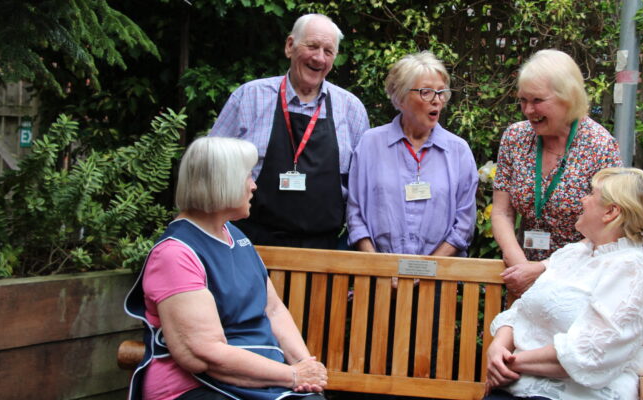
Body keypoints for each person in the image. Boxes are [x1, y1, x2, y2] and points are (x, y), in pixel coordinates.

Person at [124, 137, 327, 400]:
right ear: (223, 182)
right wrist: (292, 375)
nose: (254, 186)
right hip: (196, 389)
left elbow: (273, 309)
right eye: (247, 177)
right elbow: (204, 354)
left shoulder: (235, 236)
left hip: (261, 375)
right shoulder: (174, 255)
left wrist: (305, 365)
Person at [484, 167, 643, 400]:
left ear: (611, 212)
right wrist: (497, 349)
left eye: (591, 194)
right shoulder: (575, 253)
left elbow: (590, 352)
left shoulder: (632, 269)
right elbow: (523, 310)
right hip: (516, 384)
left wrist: (509, 362)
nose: (582, 199)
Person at [209, 13, 370, 249]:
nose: (319, 58)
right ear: (289, 46)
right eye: (313, 46)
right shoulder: (249, 98)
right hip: (251, 246)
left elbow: (361, 188)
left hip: (325, 253)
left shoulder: (351, 109)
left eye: (328, 51)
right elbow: (211, 168)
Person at [491, 49, 622, 296]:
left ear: (568, 97)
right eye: (522, 100)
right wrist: (521, 267)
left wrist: (543, 269)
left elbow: (610, 227)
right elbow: (501, 212)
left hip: (580, 282)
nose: (528, 110)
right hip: (522, 279)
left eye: (537, 101)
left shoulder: (600, 145)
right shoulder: (515, 138)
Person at [346, 51, 478, 257]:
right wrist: (379, 269)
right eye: (426, 92)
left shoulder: (458, 151)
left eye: (441, 92)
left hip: (437, 279)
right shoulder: (370, 144)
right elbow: (355, 215)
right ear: (400, 98)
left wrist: (424, 270)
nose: (437, 100)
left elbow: (464, 224)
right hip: (378, 277)